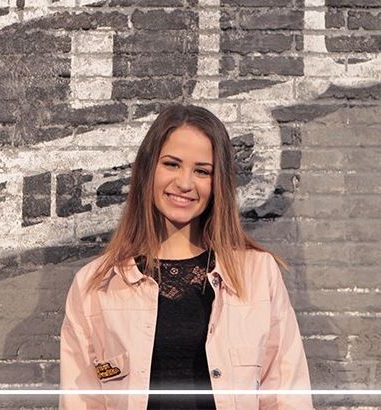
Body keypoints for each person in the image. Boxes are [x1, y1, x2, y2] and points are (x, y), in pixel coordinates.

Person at [59, 104, 313, 410]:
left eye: (202, 171)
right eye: (172, 164)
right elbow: (80, 402)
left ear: (217, 183)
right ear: (148, 170)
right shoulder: (94, 286)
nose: (184, 183)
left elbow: (287, 396)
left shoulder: (258, 274)